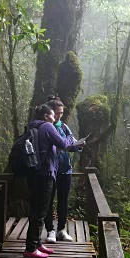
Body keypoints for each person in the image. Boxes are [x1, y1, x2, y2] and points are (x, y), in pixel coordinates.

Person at [23, 104, 76, 258]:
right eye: (53, 115)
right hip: (45, 174)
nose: (55, 118)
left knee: (37, 209)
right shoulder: (47, 126)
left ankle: (37, 243)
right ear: (46, 116)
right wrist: (71, 138)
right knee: (40, 212)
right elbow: (64, 144)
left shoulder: (33, 126)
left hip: (34, 174)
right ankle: (31, 249)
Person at [44, 97, 80, 243]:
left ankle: (61, 229)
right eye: (57, 113)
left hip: (66, 170)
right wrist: (65, 144)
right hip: (51, 170)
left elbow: (71, 142)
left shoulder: (64, 127)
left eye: (62, 112)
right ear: (51, 112)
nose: (60, 115)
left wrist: (78, 146)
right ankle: (50, 230)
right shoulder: (46, 127)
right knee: (49, 200)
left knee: (63, 201)